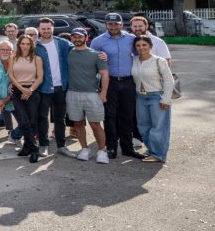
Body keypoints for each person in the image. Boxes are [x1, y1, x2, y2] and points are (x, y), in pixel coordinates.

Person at [89, 13, 144, 159]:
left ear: (121, 24)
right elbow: (91, 61)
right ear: (106, 25)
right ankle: (111, 147)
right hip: (109, 82)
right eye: (110, 24)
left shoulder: (131, 39)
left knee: (127, 116)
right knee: (110, 116)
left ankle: (127, 148)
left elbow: (141, 54)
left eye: (116, 24)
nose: (113, 26)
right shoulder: (98, 41)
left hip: (128, 81)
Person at [65, 28, 110, 164]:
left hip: (92, 94)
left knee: (95, 124)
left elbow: (105, 74)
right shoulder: (68, 53)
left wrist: (103, 93)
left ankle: (102, 151)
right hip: (72, 93)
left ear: (86, 38)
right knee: (78, 123)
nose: (77, 39)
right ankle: (84, 149)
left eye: (80, 37)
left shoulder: (96, 55)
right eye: (74, 37)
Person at [131, 35, 175, 163]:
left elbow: (168, 80)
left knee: (159, 127)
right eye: (138, 45)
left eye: (144, 45)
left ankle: (158, 154)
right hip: (140, 97)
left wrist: (165, 99)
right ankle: (152, 150)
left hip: (156, 96)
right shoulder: (134, 60)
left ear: (150, 46)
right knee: (143, 126)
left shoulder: (159, 61)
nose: (141, 48)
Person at [35, 17, 74, 158]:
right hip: (43, 87)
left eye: (48, 28)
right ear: (39, 29)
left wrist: (99, 55)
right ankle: (43, 145)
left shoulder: (63, 43)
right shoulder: (34, 45)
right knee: (42, 117)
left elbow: (80, 51)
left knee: (60, 118)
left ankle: (61, 146)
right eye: (43, 28)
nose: (46, 31)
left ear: (53, 28)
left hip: (61, 87)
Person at [7, 35, 44, 164]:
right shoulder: (13, 57)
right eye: (22, 43)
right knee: (23, 121)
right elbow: (11, 75)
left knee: (32, 121)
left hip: (32, 91)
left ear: (31, 45)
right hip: (18, 91)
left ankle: (27, 147)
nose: (25, 46)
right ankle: (34, 149)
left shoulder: (37, 59)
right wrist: (22, 89)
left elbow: (40, 77)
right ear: (19, 45)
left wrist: (30, 90)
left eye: (27, 44)